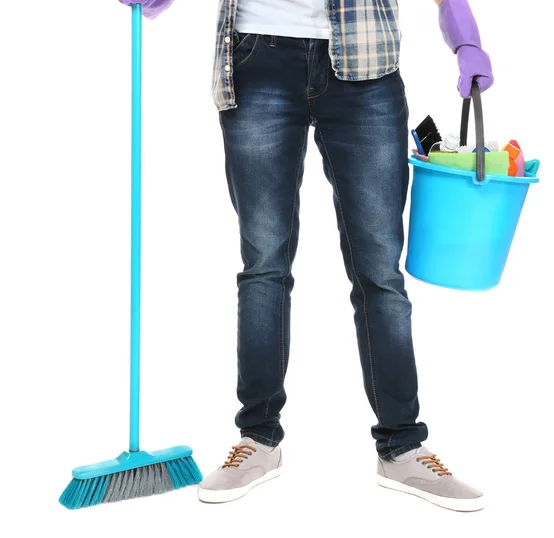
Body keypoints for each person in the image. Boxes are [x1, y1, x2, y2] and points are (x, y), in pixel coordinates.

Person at [119, 0, 494, 511]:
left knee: (379, 270)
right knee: (264, 265)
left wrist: (465, 39)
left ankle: (402, 447)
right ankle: (257, 440)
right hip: (256, 58)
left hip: (367, 65)